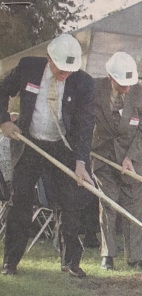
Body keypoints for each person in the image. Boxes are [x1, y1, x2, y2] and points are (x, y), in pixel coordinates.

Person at [0, 34, 95, 277]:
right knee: (20, 201)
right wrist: (3, 122)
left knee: (69, 204)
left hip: (63, 148)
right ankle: (10, 262)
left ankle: (70, 263)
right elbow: (1, 90)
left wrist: (81, 161)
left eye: (69, 70)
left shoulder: (83, 82)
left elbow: (85, 124)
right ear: (49, 58)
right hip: (29, 142)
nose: (65, 74)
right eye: (61, 68)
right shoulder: (28, 67)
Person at [91, 52, 142, 271]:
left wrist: (130, 158)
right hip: (104, 157)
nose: (126, 88)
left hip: (133, 159)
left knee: (134, 208)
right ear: (110, 77)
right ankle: (108, 255)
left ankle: (135, 258)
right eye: (121, 84)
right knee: (108, 204)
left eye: (130, 84)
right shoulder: (95, 89)